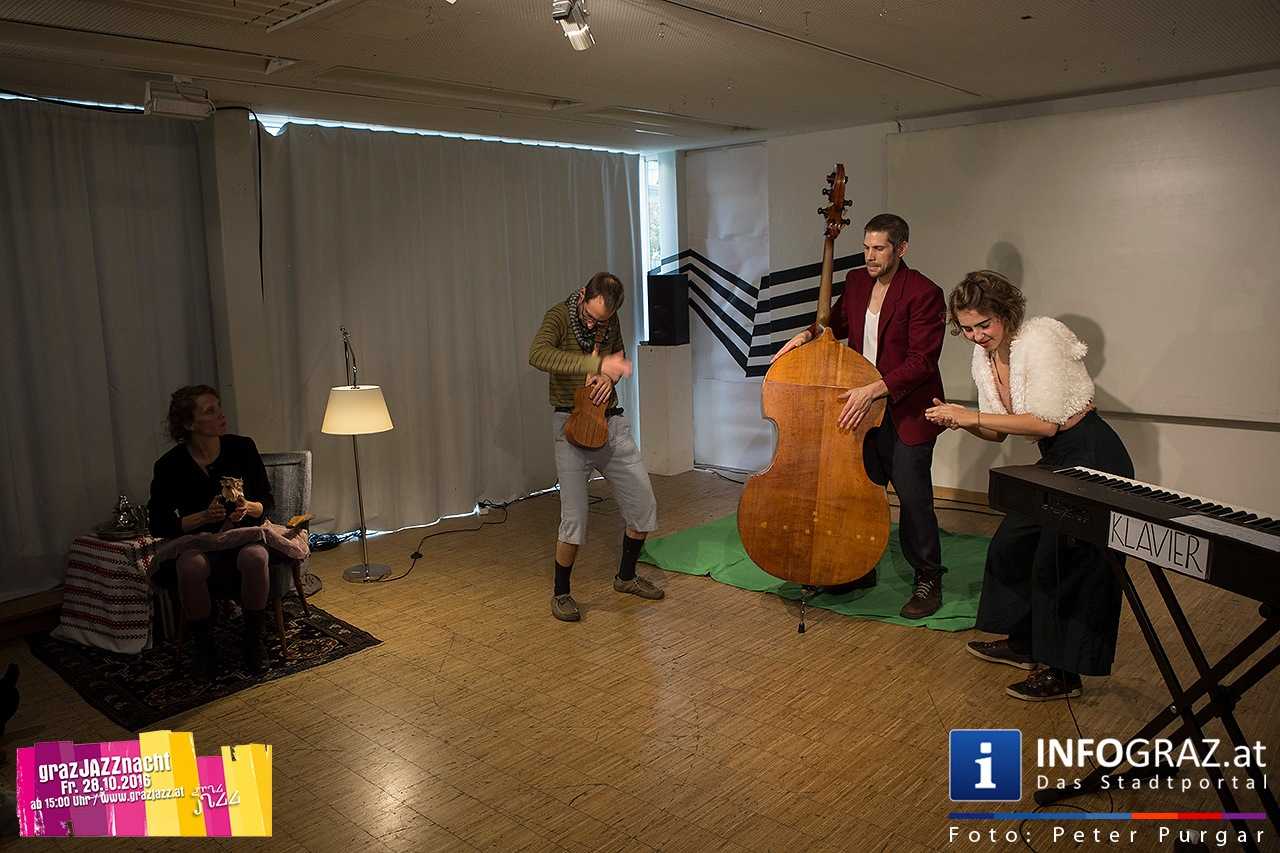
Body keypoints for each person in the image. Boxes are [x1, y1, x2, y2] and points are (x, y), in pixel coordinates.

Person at [925, 270, 1134, 701]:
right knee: (1012, 545)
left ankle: (1064, 674)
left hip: (1093, 455)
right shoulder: (984, 358)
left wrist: (971, 416)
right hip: (1057, 458)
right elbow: (997, 431)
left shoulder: (1039, 339)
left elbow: (1045, 423)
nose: (977, 336)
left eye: (984, 324)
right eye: (967, 328)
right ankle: (1025, 644)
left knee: (1065, 561)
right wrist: (957, 419)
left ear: (1004, 313)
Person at [773, 213, 948, 618]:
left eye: (879, 248)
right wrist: (805, 336)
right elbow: (832, 324)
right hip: (862, 409)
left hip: (905, 411)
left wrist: (874, 388)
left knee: (913, 498)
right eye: (867, 247)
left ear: (901, 249)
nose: (870, 256)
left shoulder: (924, 292)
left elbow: (922, 361)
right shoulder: (855, 281)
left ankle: (928, 578)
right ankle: (857, 567)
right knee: (857, 493)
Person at [528, 272, 663, 622]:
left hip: (610, 422)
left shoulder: (608, 320)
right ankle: (561, 593)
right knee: (574, 519)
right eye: (590, 316)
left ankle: (626, 577)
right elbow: (538, 354)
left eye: (601, 319)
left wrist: (608, 376)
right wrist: (593, 364)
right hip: (571, 424)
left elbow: (617, 359)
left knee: (643, 506)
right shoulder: (559, 316)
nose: (594, 323)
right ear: (584, 296)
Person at [148, 385, 274, 675]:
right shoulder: (169, 465)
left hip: (242, 535)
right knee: (191, 566)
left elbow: (266, 502)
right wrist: (202, 517)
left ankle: (254, 640)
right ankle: (204, 646)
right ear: (189, 424)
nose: (221, 415)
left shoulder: (242, 448)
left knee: (255, 557)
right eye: (210, 411)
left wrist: (248, 507)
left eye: (219, 407)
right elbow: (158, 523)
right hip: (199, 542)